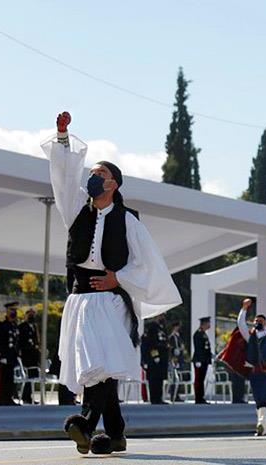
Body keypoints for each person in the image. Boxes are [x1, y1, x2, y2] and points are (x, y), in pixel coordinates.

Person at [45, 112, 181, 455]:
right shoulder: (76, 209)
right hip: (80, 299)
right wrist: (63, 138)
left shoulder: (127, 220)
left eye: (99, 174)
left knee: (100, 365)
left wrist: (117, 278)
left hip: (111, 300)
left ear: (113, 184)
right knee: (98, 368)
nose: (93, 177)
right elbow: (63, 178)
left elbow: (146, 262)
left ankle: (87, 423)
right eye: (91, 173)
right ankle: (116, 433)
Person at [218, 299, 266, 436]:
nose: (258, 322)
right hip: (254, 372)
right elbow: (240, 324)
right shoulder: (249, 336)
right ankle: (263, 426)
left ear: (265, 323)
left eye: (261, 321)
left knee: (265, 398)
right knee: (257, 399)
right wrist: (244, 309)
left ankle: (261, 423)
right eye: (256, 320)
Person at [0, 302, 20, 406]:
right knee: (3, 378)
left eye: (15, 310)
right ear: (7, 311)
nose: (13, 312)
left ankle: (9, 398)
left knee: (10, 378)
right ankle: (3, 399)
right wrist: (1, 355)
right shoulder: (2, 325)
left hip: (12, 356)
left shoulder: (14, 326)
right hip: (4, 356)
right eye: (11, 310)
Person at [141, 314, 169, 405]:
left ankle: (159, 397)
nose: (163, 318)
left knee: (160, 378)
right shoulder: (151, 328)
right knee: (154, 379)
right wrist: (155, 355)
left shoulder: (162, 328)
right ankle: (154, 398)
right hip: (154, 358)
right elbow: (150, 343)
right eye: (161, 316)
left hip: (162, 358)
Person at [18, 308, 41, 404]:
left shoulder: (34, 326)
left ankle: (29, 396)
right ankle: (25, 397)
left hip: (34, 356)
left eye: (33, 315)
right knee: (28, 377)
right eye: (29, 314)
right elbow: (20, 341)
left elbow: (37, 339)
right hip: (26, 356)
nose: (31, 317)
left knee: (33, 376)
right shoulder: (22, 326)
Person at [191, 316, 212, 404]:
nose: (209, 325)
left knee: (201, 379)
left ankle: (201, 397)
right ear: (204, 324)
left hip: (204, 360)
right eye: (208, 323)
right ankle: (198, 398)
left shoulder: (203, 333)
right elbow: (198, 348)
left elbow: (206, 348)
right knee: (198, 379)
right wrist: (198, 360)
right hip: (199, 360)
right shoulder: (198, 334)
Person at [167, 321, 186, 402]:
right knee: (174, 379)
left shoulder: (177, 336)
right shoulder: (172, 337)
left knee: (178, 378)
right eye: (177, 327)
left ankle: (177, 395)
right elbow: (171, 349)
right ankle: (173, 396)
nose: (178, 328)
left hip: (179, 359)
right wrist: (174, 360)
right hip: (175, 360)